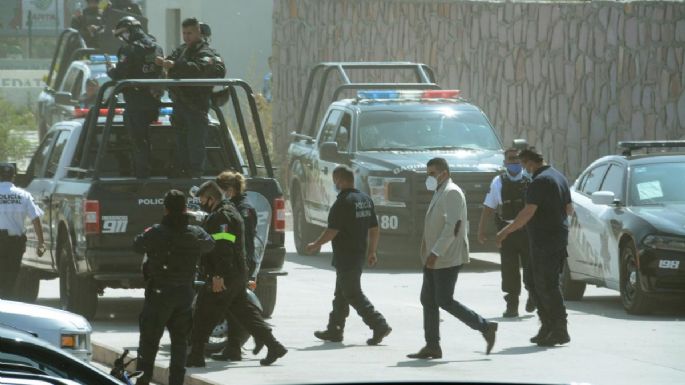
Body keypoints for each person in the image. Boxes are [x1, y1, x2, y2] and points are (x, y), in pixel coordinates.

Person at [187, 181, 287, 367]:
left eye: (202, 200)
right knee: (245, 313)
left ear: (211, 198)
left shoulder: (221, 217)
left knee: (203, 311)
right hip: (237, 274)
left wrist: (218, 276)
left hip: (225, 275)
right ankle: (274, 346)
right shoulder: (230, 212)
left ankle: (196, 355)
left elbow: (223, 248)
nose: (201, 204)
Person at [407, 157, 497, 360]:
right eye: (427, 173)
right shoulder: (440, 190)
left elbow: (454, 227)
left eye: (432, 173)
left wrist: (436, 252)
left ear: (444, 173)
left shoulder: (452, 192)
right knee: (428, 300)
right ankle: (432, 346)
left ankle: (485, 327)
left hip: (446, 256)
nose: (428, 177)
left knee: (444, 300)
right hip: (434, 257)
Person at [132, 189, 214, 385]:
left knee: (149, 345)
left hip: (159, 295)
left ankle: (142, 382)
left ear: (166, 209)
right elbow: (210, 244)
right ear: (185, 208)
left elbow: (137, 244)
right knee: (179, 344)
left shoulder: (155, 232)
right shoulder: (195, 233)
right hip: (184, 296)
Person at [305, 165, 392, 346]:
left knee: (352, 293)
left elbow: (332, 231)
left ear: (341, 180)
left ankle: (379, 324)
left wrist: (315, 244)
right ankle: (335, 329)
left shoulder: (342, 203)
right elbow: (374, 229)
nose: (334, 184)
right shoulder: (365, 199)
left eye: (335, 180)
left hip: (346, 256)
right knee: (341, 294)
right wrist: (372, 251)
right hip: (358, 255)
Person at [496, 149, 572, 347]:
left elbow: (528, 211)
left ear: (529, 163)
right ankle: (547, 326)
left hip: (546, 242)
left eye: (523, 164)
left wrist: (506, 231)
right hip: (552, 240)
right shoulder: (559, 176)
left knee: (548, 285)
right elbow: (569, 209)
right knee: (532, 281)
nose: (522, 168)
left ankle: (559, 329)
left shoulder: (539, 182)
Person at [155, 18, 225, 178]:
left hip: (196, 105)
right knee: (180, 142)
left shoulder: (205, 52)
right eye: (184, 33)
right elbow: (171, 61)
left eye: (190, 33)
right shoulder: (182, 50)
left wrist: (174, 66)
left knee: (195, 143)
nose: (186, 37)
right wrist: (165, 64)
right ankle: (182, 171)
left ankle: (195, 175)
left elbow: (199, 69)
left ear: (198, 32)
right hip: (179, 103)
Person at [477, 148, 535, 318]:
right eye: (511, 159)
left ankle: (533, 295)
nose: (515, 162)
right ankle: (512, 305)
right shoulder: (498, 182)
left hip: (527, 231)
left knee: (530, 267)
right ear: (505, 163)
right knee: (509, 270)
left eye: (517, 159)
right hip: (506, 232)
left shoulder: (530, 179)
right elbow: (489, 207)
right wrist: (480, 230)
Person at [212, 170, 262, 361]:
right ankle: (261, 338)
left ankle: (237, 347)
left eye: (221, 190)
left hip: (240, 262)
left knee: (233, 305)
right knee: (237, 305)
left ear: (230, 190)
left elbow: (240, 238)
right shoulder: (234, 206)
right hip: (236, 260)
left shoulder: (243, 209)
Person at [106, 15, 163, 178]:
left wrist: (110, 69)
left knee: (138, 142)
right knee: (150, 140)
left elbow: (119, 74)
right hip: (154, 102)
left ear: (129, 31)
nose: (122, 39)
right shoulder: (156, 47)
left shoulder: (129, 49)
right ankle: (154, 172)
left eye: (122, 34)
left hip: (136, 102)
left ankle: (142, 176)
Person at [0, 163, 45, 298]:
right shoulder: (24, 195)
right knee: (11, 278)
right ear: (13, 177)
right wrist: (41, 243)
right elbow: (35, 219)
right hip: (15, 244)